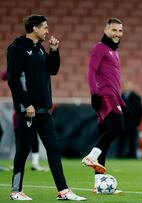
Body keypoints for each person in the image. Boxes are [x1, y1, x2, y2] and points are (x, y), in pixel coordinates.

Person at [7, 14, 86, 201]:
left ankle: (63, 191)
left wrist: (54, 50)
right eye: (44, 27)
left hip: (44, 110)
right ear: (34, 28)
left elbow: (53, 70)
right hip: (28, 110)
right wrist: (27, 104)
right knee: (23, 150)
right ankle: (15, 191)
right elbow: (13, 80)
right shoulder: (17, 48)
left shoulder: (40, 49)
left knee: (54, 148)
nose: (47, 30)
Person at [82, 18, 126, 193]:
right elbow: (91, 71)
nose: (117, 34)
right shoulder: (100, 48)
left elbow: (113, 79)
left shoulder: (113, 52)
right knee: (117, 129)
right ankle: (91, 156)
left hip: (113, 96)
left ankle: (98, 185)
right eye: (114, 30)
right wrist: (94, 93)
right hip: (105, 96)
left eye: (120, 31)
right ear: (106, 30)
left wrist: (122, 101)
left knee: (104, 140)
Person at [1, 70, 48, 172]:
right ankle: (18, 164)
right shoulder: (17, 69)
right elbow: (4, 76)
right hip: (20, 112)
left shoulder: (32, 71)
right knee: (20, 139)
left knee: (33, 136)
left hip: (32, 109)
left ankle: (35, 163)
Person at [119, 81, 142, 159]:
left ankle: (133, 156)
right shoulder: (120, 97)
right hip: (122, 124)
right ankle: (119, 156)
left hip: (132, 125)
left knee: (132, 142)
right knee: (121, 143)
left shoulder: (137, 98)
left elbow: (140, 112)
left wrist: (136, 123)